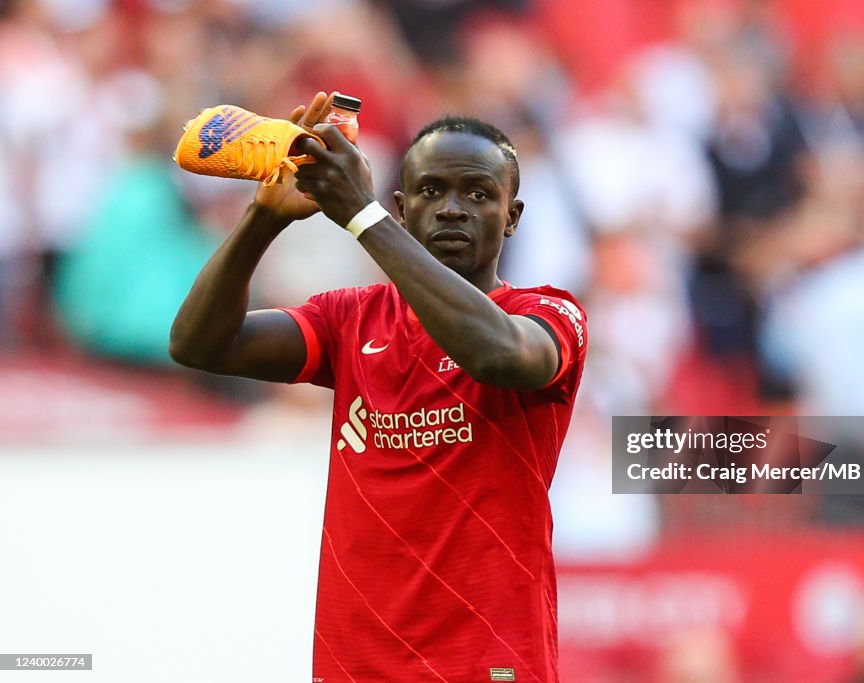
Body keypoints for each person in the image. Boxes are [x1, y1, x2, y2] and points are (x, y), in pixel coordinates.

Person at [169, 91, 588, 682]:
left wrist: (365, 217)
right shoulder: (350, 320)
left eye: (477, 194)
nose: (451, 208)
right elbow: (200, 343)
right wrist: (263, 217)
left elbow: (498, 354)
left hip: (488, 662)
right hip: (356, 662)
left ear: (512, 216)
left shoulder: (547, 313)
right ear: (404, 204)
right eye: (430, 190)